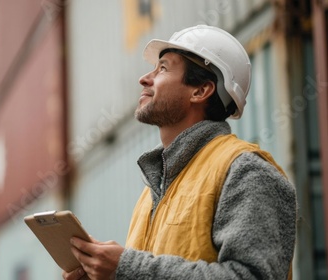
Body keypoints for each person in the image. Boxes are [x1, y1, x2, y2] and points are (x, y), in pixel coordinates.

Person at [62, 25, 297, 280]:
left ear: (200, 91)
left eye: (162, 68)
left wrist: (127, 269)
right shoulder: (152, 192)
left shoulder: (245, 171)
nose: (144, 78)